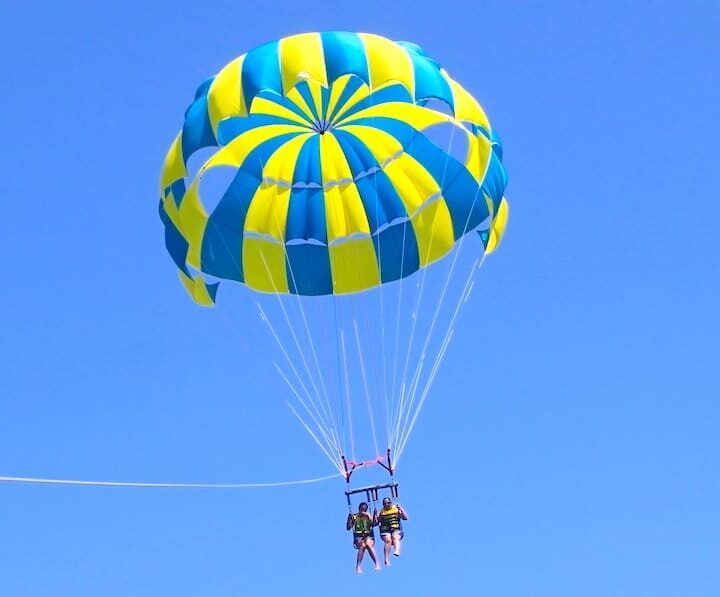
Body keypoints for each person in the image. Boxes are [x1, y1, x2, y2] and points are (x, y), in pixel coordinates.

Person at [346, 502, 380, 574]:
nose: (363, 511)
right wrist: (349, 518)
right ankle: (358, 566)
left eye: (365, 510)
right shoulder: (355, 516)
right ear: (359, 509)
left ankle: (377, 563)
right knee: (363, 545)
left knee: (368, 544)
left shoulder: (368, 516)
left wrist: (372, 515)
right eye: (362, 509)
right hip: (359, 537)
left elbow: (374, 524)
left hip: (368, 536)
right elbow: (348, 528)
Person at [376, 497, 408, 565]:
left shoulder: (396, 509)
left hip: (396, 528)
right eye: (385, 504)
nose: (387, 504)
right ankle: (386, 559)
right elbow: (376, 522)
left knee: (395, 537)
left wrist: (400, 508)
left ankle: (397, 550)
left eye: (388, 503)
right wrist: (376, 515)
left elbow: (405, 517)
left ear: (391, 503)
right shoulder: (382, 511)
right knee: (388, 540)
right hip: (385, 529)